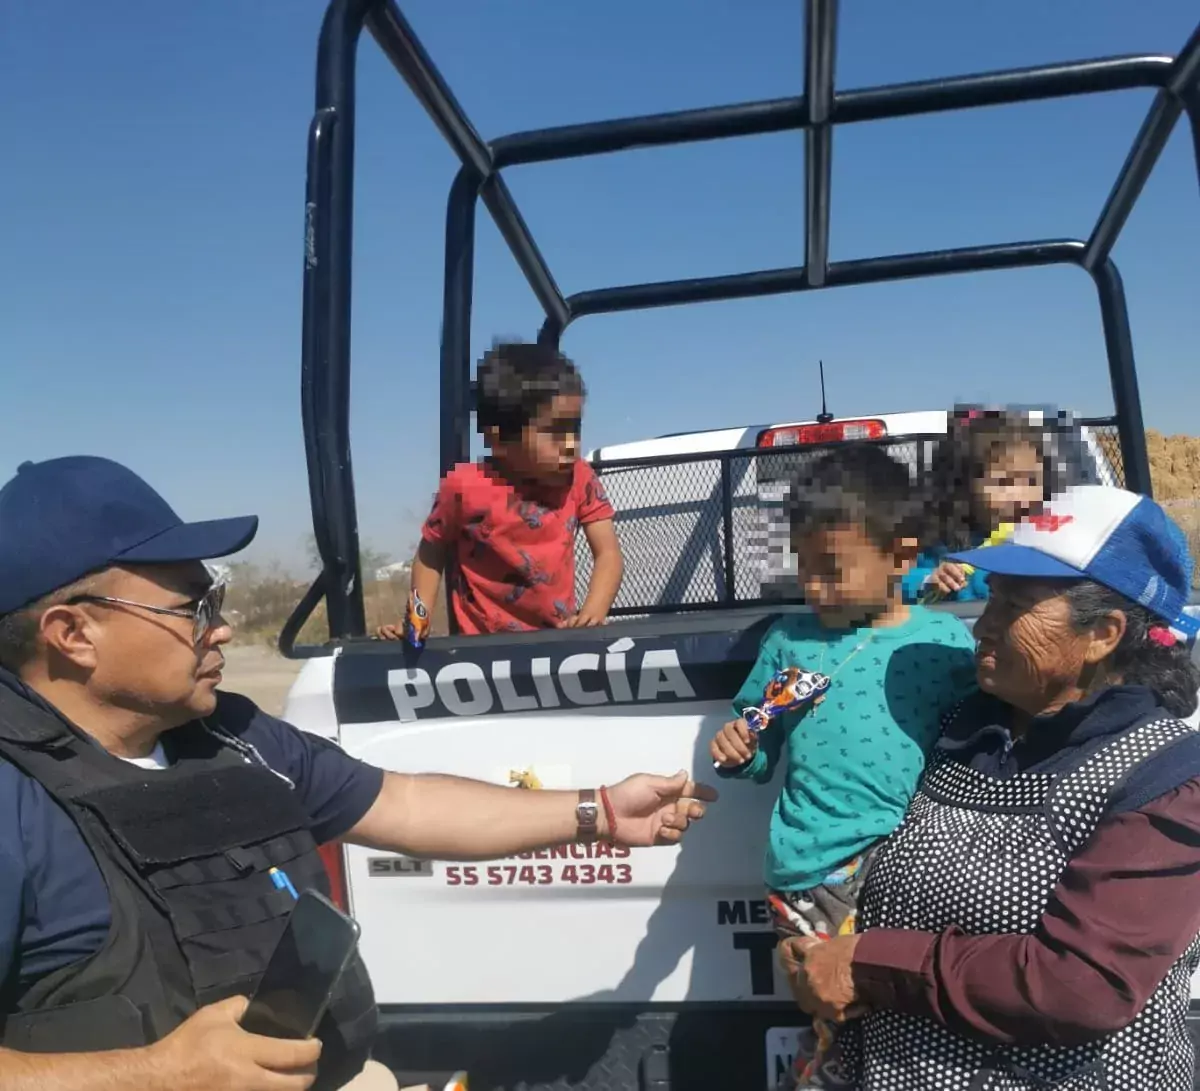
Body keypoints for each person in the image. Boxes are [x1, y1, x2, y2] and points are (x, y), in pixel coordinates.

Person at [0, 455, 715, 1091]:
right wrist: (154, 1075)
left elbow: (399, 802)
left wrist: (600, 812)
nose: (218, 626)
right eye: (193, 607)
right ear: (72, 634)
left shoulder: (230, 735)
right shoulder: (17, 805)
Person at [781, 483, 1200, 1090]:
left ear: (1104, 634)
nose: (984, 627)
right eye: (991, 599)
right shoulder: (959, 728)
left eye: (1014, 606)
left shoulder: (1161, 776)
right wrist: (813, 954)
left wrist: (865, 964)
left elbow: (1081, 984)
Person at [709, 445, 976, 1089]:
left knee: (911, 1018)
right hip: (810, 867)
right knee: (830, 1015)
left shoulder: (946, 644)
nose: (814, 587)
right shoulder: (787, 642)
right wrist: (740, 748)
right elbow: (760, 741)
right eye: (806, 568)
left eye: (832, 569)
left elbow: (975, 756)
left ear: (902, 558)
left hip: (914, 867)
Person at [377, 341, 624, 641]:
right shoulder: (464, 487)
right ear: (500, 440)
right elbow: (431, 553)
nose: (571, 443)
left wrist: (593, 612)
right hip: (482, 651)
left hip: (558, 642)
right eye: (555, 431)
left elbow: (608, 553)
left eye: (575, 428)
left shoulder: (580, 478)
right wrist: (417, 620)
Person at [902, 408, 1047, 604]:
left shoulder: (1051, 544)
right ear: (963, 489)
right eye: (1004, 484)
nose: (1024, 499)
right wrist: (928, 580)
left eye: (1031, 481)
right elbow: (890, 584)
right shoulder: (937, 546)